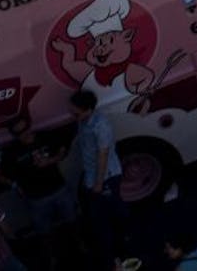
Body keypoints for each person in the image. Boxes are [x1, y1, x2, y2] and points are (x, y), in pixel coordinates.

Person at [0, 115, 75, 257]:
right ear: (14, 135)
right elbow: (0, 175)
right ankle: (52, 258)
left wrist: (50, 160)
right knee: (44, 233)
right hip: (36, 199)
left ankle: (79, 247)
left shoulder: (45, 136)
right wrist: (15, 185)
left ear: (30, 126)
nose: (24, 133)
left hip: (59, 189)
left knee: (72, 222)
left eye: (26, 129)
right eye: (19, 133)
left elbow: (63, 149)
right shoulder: (11, 153)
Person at [69, 89, 124, 269]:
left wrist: (99, 183)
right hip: (93, 177)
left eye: (76, 112)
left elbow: (103, 154)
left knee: (104, 219)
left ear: (88, 109)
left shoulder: (100, 125)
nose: (73, 115)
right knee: (102, 218)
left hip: (105, 178)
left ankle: (115, 256)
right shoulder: (83, 121)